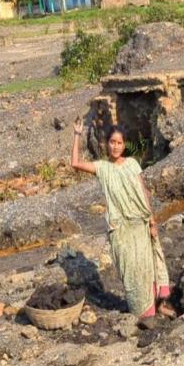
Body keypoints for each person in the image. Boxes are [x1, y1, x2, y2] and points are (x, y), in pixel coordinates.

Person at [71, 117, 175, 326]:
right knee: (130, 270)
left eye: (119, 143)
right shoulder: (102, 168)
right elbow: (74, 163)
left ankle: (158, 305)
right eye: (112, 142)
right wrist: (77, 135)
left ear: (124, 144)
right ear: (106, 144)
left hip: (139, 223)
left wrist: (152, 221)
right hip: (120, 229)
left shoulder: (132, 164)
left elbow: (143, 192)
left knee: (148, 265)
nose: (115, 146)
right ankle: (142, 312)